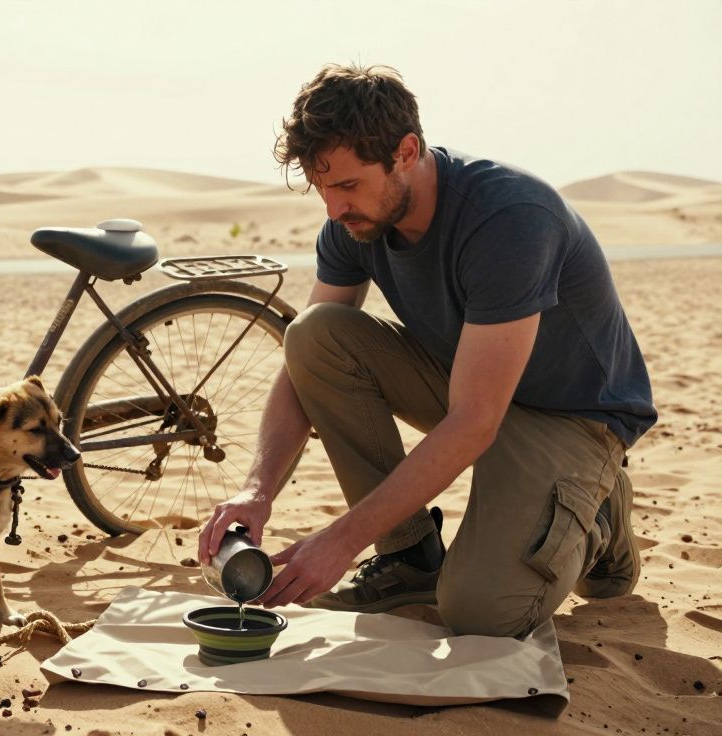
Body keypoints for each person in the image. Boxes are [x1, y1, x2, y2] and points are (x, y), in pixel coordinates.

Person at [197, 63, 656, 638]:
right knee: (315, 333)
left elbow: (474, 422)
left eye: (347, 186)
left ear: (407, 151)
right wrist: (256, 490)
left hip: (569, 418)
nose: (334, 210)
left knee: (482, 615)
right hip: (472, 386)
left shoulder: (510, 219)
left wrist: (342, 539)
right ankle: (410, 555)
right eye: (322, 190)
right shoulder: (351, 226)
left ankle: (600, 507)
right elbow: (305, 364)